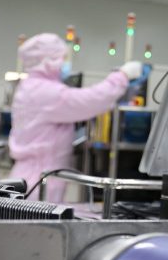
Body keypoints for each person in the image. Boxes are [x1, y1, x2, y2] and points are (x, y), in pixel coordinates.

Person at [9, 32, 142, 202]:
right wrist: (122, 76)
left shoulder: (31, 86)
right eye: (62, 58)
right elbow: (90, 101)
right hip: (38, 181)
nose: (64, 63)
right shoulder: (44, 91)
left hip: (33, 175)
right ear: (47, 60)